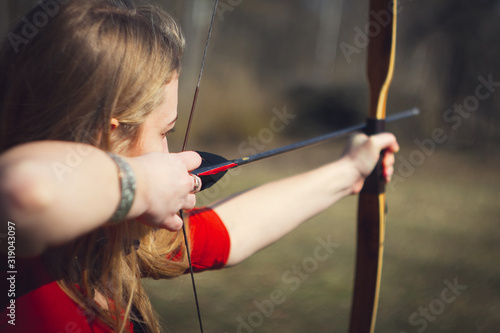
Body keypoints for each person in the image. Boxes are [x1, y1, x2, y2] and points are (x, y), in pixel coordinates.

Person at [0, 1, 399, 332]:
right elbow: (25, 193)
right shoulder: (17, 251)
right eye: (164, 131)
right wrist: (142, 183)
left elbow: (234, 231)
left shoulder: (108, 240)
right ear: (109, 133)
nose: (170, 150)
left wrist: (350, 172)